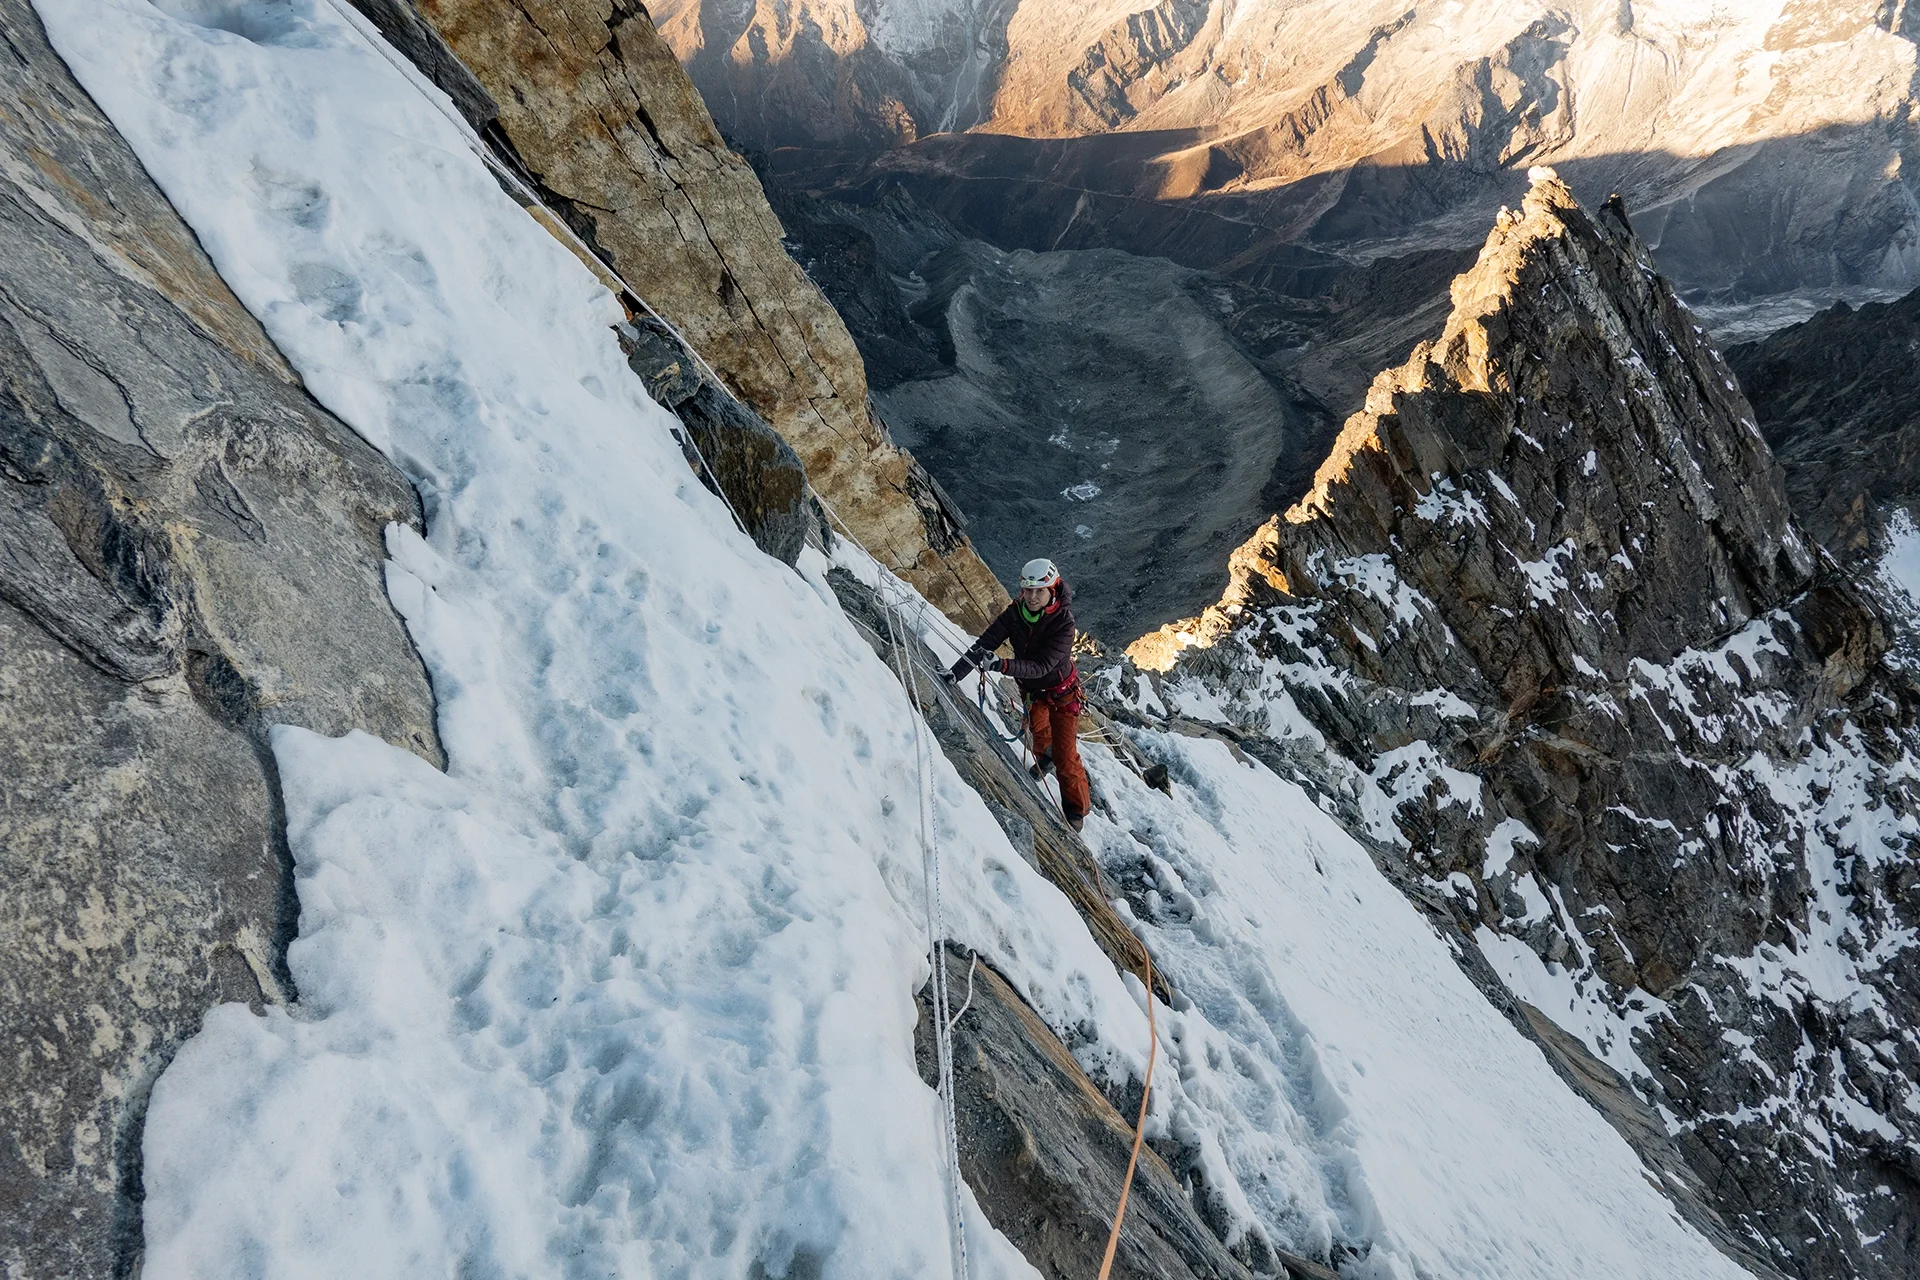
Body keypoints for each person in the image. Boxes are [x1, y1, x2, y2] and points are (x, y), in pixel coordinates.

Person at [944, 557, 1090, 831]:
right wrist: (956, 673)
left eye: (1039, 591)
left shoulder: (1064, 624)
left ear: (1052, 590)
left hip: (1063, 695)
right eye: (1027, 590)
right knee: (1038, 734)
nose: (1032, 597)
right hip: (1034, 691)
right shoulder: (1015, 613)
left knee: (1067, 757)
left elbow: (1042, 665)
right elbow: (985, 643)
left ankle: (1076, 810)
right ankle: (1044, 759)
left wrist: (1001, 665)